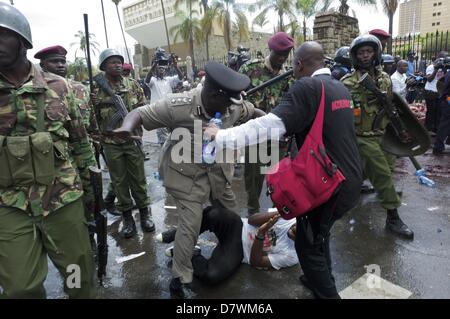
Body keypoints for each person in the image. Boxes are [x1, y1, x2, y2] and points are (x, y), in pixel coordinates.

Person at [204, 41, 363, 299]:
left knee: (308, 247)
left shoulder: (308, 86)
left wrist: (221, 136)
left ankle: (326, 290)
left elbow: (270, 125)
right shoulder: (339, 87)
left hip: (328, 185)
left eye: (294, 66)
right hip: (348, 179)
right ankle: (318, 279)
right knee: (319, 235)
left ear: (299, 64)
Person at [114, 61, 264, 298]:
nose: (229, 109)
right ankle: (179, 277)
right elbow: (139, 113)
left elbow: (248, 109)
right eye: (227, 103)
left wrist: (264, 117)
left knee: (232, 216)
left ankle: (231, 251)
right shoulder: (178, 105)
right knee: (190, 224)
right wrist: (126, 127)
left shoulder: (230, 106)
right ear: (214, 95)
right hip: (187, 176)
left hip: (218, 173)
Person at [0, 3, 96, 298]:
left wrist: (92, 196)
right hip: (9, 204)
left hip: (62, 198)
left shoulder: (62, 87)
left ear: (23, 41)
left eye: (2, 35)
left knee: (78, 276)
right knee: (19, 289)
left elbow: (81, 142)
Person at [341, 34, 414, 240]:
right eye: (361, 52)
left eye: (369, 51)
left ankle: (344, 199)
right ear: (355, 56)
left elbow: (391, 108)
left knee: (384, 170)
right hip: (361, 136)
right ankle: (393, 217)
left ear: (376, 53)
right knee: (381, 173)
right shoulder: (347, 83)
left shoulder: (384, 79)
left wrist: (402, 130)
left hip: (382, 134)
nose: (365, 56)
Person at [91, 48, 155, 238]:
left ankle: (145, 214)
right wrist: (94, 103)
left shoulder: (132, 84)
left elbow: (144, 109)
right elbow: (89, 117)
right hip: (111, 142)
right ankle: (127, 217)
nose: (118, 64)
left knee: (138, 179)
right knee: (119, 181)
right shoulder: (95, 89)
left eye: (119, 61)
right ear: (104, 66)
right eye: (112, 62)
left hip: (132, 140)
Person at [160, 206, 298, 285]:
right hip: (239, 227)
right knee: (214, 213)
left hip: (240, 252)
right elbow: (252, 220)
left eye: (300, 235)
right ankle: (179, 234)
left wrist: (261, 233)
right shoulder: (288, 217)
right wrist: (279, 213)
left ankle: (190, 254)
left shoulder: (292, 256)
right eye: (298, 226)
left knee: (211, 276)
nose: (296, 229)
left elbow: (257, 261)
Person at [239, 31, 294, 215]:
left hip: (277, 137)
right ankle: (253, 213)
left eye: (285, 55)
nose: (281, 58)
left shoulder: (288, 76)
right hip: (255, 136)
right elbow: (236, 98)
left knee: (279, 179)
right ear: (271, 50)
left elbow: (290, 103)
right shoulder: (249, 69)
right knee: (254, 181)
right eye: (278, 53)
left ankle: (275, 215)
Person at [145, 52, 183, 145]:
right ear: (156, 70)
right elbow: (147, 80)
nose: (161, 70)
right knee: (163, 138)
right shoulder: (153, 81)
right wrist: (154, 66)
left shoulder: (169, 80)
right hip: (158, 112)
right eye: (159, 68)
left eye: (163, 68)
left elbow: (180, 77)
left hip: (170, 111)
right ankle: (164, 151)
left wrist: (175, 66)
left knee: (173, 135)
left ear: (166, 70)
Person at [424, 51, 448, 134]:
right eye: (443, 58)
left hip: (439, 92)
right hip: (430, 92)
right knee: (431, 111)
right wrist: (436, 69)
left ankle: (436, 129)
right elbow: (429, 79)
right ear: (439, 57)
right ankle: (428, 129)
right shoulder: (431, 67)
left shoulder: (445, 67)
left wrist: (444, 68)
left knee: (438, 111)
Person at [433, 66, 450, 155]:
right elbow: (446, 91)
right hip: (448, 101)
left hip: (447, 100)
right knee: (445, 125)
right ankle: (438, 147)